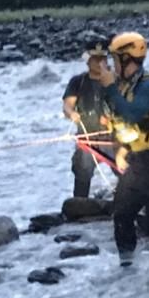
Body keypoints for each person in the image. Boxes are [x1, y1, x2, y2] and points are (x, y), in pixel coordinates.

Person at [98, 32, 149, 266]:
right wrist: (123, 149)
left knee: (138, 217)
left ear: (126, 59)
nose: (112, 65)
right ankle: (145, 267)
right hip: (146, 161)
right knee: (139, 218)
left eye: (115, 60)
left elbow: (132, 114)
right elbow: (129, 125)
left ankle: (134, 267)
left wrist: (111, 88)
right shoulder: (129, 87)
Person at [62, 42, 112, 198]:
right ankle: (80, 205)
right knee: (82, 172)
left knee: (127, 171)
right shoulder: (77, 82)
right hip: (86, 140)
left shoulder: (116, 81)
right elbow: (67, 106)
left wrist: (113, 120)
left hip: (112, 138)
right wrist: (71, 114)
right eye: (95, 59)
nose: (99, 63)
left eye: (102, 59)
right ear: (88, 61)